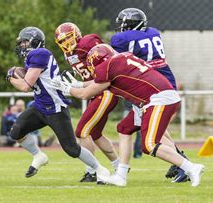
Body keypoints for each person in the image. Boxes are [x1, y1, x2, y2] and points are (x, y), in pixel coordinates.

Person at [52, 44, 205, 187]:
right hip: (153, 98)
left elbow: (86, 94)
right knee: (124, 128)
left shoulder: (107, 66)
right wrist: (78, 84)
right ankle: (121, 175)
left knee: (149, 144)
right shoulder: (121, 58)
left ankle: (191, 167)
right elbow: (99, 83)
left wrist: (68, 89)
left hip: (157, 99)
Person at [7, 26, 110, 181]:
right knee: (16, 132)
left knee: (71, 149)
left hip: (55, 108)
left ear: (34, 42)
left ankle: (99, 169)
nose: (22, 46)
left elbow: (25, 86)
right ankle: (38, 156)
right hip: (39, 106)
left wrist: (10, 76)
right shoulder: (34, 55)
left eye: (24, 42)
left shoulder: (40, 54)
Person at [110, 8, 189, 183]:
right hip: (164, 82)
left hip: (152, 89)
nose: (120, 29)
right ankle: (181, 162)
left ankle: (183, 164)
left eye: (124, 25)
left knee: (152, 135)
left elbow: (116, 61)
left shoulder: (121, 39)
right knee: (129, 128)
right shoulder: (153, 32)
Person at [54, 22, 119, 182]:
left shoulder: (88, 43)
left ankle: (92, 170)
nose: (66, 44)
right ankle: (120, 167)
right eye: (62, 41)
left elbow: (106, 62)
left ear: (76, 34)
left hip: (105, 91)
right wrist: (79, 83)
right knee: (95, 133)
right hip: (95, 91)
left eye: (68, 39)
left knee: (82, 131)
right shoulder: (68, 54)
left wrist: (79, 86)